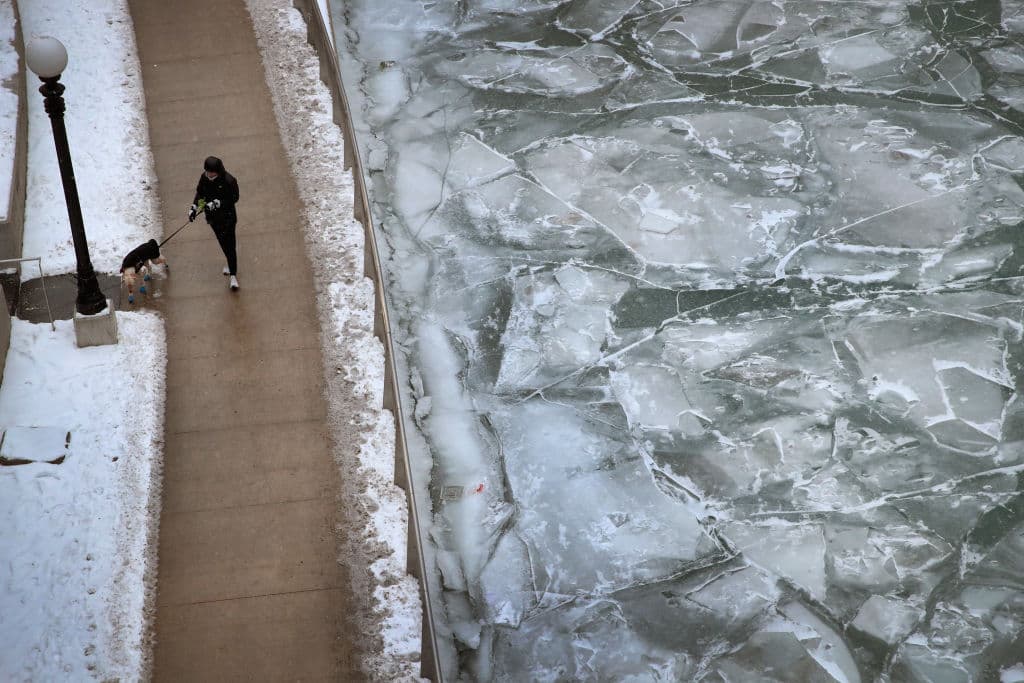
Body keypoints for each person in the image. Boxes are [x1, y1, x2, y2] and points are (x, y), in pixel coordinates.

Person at [188, 156, 241, 291]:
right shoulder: (204, 178)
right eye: (207, 171)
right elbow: (201, 194)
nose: (209, 174)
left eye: (212, 172)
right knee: (223, 243)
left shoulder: (229, 180)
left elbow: (234, 198)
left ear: (218, 171)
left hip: (228, 218)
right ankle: (230, 265)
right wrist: (195, 207)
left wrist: (218, 203)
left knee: (230, 245)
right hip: (213, 219)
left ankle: (233, 275)